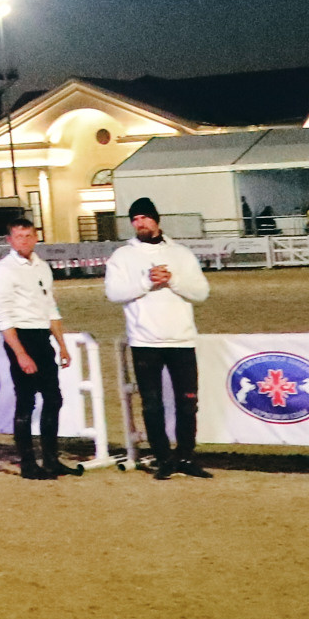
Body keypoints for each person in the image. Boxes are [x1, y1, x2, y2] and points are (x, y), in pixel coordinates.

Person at [103, 197, 213, 479]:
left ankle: (186, 456)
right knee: (152, 405)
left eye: (144, 217)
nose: (140, 223)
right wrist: (147, 281)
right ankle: (163, 458)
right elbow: (113, 293)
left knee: (188, 403)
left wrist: (172, 280)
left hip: (181, 340)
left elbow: (201, 293)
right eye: (135, 219)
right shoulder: (122, 256)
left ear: (156, 219)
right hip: (145, 342)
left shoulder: (182, 254)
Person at [0, 220, 77, 479]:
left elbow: (51, 309)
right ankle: (28, 463)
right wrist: (20, 353)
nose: (24, 241)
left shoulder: (42, 267)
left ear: (36, 238)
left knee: (53, 398)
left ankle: (51, 459)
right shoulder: (3, 271)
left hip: (41, 337)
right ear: (9, 240)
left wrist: (62, 345)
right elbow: (2, 318)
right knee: (26, 402)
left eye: (28, 235)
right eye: (19, 236)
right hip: (21, 337)